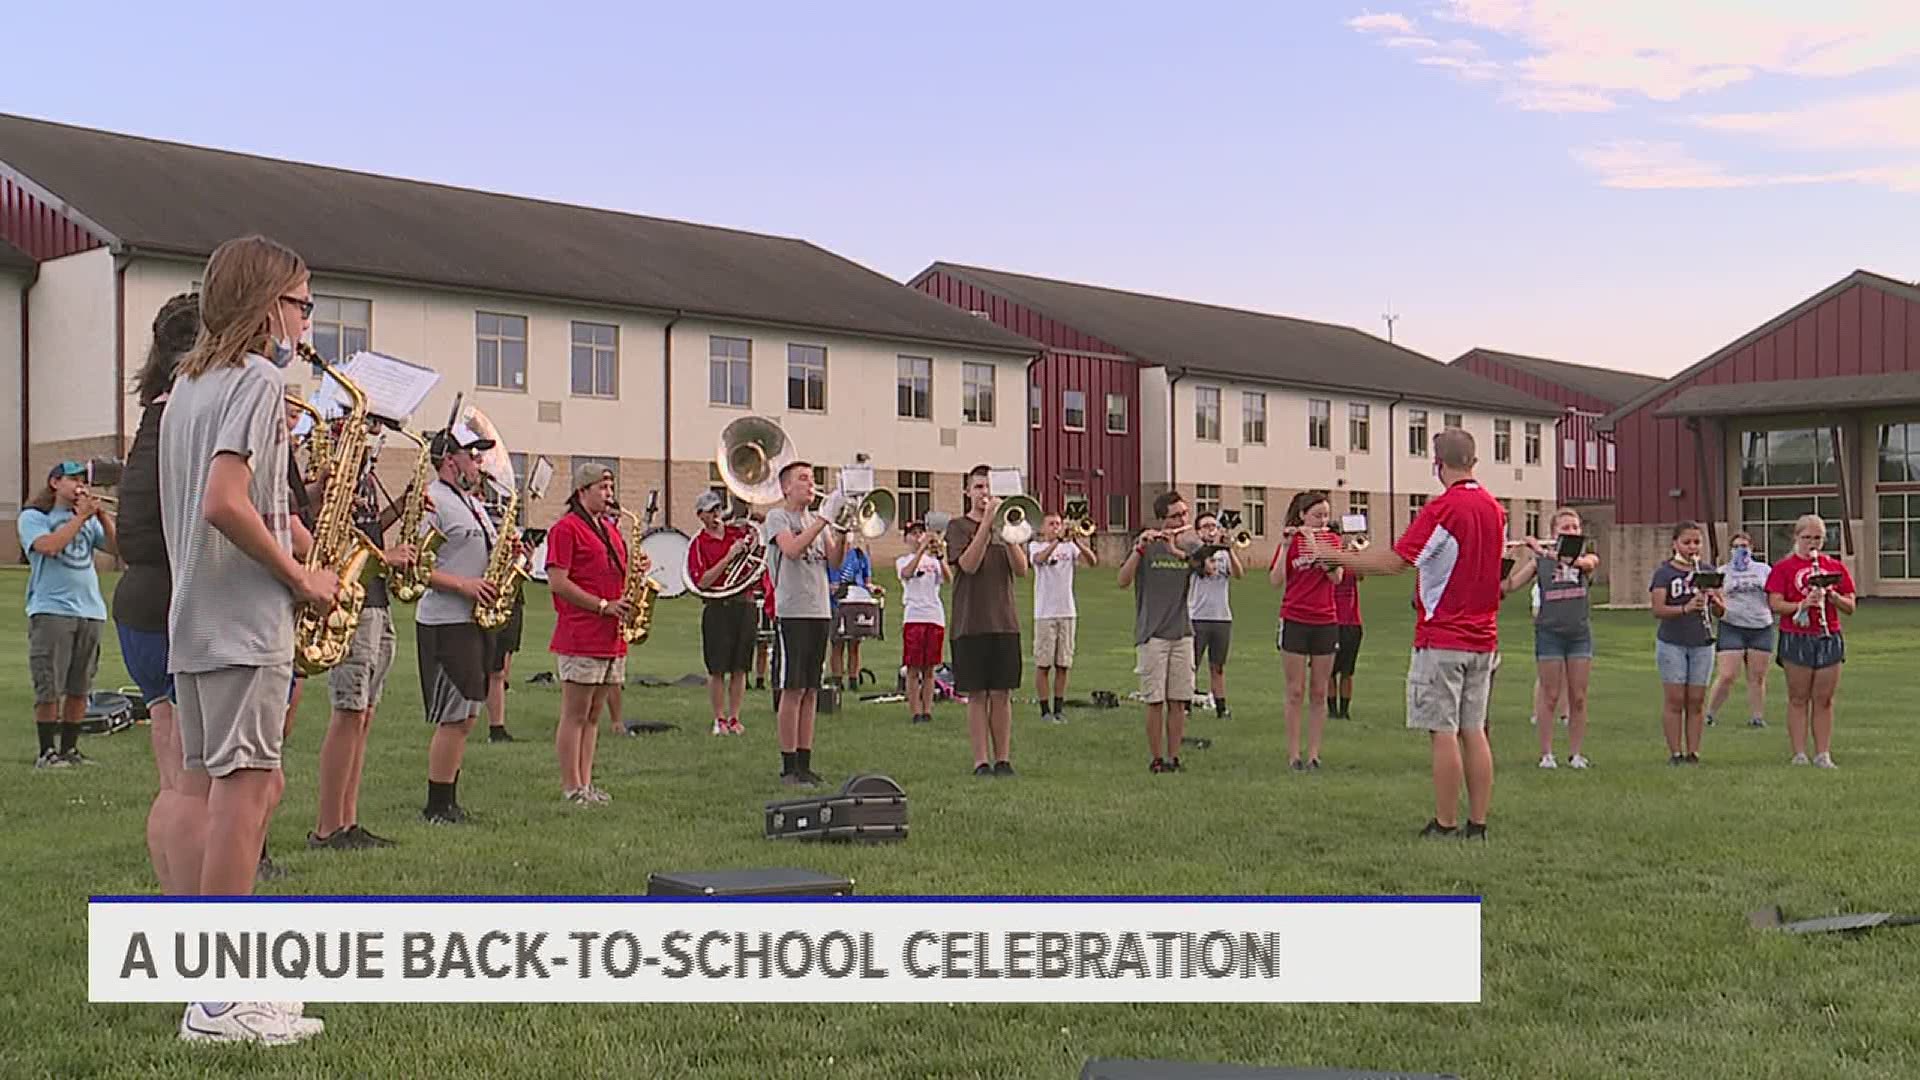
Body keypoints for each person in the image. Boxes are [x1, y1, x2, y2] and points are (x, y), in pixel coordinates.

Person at [159, 234, 334, 1043]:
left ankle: (208, 985)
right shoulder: (261, 381)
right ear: (271, 308)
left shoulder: (186, 387)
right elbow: (225, 502)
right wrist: (301, 579)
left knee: (226, 788)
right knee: (248, 791)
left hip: (193, 622)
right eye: (302, 303)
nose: (306, 319)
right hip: (243, 621)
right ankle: (223, 1000)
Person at [1310, 428, 1503, 840]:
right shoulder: (1493, 508)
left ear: (1438, 464)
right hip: (1484, 636)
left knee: (1443, 731)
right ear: (1474, 461)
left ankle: (1446, 822)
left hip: (1443, 635)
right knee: (1475, 728)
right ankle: (1479, 823)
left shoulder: (1444, 508)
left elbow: (1396, 561)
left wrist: (1332, 555)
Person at [114, 293, 197, 891]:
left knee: (175, 777)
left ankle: (179, 908)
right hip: (166, 607)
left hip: (142, 603)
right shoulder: (177, 423)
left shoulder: (154, 418)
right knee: (188, 783)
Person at [309, 451, 416, 849]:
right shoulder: (332, 473)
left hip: (376, 601)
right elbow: (327, 538)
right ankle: (327, 827)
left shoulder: (364, 475)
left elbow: (366, 532)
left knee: (364, 716)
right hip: (350, 604)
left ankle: (348, 820)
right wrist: (384, 558)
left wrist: (399, 510)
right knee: (349, 712)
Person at [415, 423, 503, 823]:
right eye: (472, 455)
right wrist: (463, 584)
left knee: (468, 714)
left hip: (473, 618)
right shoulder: (432, 501)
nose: (478, 462)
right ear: (451, 460)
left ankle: (450, 798)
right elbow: (416, 567)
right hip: (446, 619)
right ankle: (437, 805)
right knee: (454, 715)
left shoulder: (471, 502)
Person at [545, 463, 636, 801]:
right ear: (582, 491)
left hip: (610, 634)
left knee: (595, 714)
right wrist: (601, 605)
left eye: (611, 489)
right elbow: (558, 581)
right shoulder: (566, 529)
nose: (609, 496)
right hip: (581, 632)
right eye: (603, 489)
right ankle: (571, 787)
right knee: (575, 713)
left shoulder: (610, 530)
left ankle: (585, 783)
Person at [22, 459, 117, 769]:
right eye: (72, 479)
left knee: (80, 687)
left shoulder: (89, 520)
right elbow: (49, 546)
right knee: (50, 685)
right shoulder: (35, 517)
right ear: (55, 483)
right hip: (52, 610)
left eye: (82, 480)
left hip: (89, 611)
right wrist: (80, 518)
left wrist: (101, 516)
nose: (80, 485)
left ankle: (70, 750)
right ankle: (46, 752)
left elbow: (120, 550)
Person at [947, 466, 1030, 776]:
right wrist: (986, 527)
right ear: (968, 491)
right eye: (979, 487)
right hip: (970, 623)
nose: (984, 493)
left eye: (989, 487)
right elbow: (968, 565)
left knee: (1002, 694)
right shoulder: (957, 527)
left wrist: (1006, 530)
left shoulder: (1009, 528)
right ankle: (981, 760)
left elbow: (1021, 570)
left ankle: (1004, 758)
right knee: (977, 695)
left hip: (1004, 622)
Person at [764, 461, 843, 785]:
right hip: (792, 612)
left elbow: (835, 562)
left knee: (811, 689)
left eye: (812, 479)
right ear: (785, 487)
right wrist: (825, 517)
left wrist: (844, 529)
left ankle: (805, 760)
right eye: (803, 479)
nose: (811, 485)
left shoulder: (816, 522)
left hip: (819, 610)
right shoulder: (778, 518)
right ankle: (788, 764)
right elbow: (793, 550)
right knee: (792, 688)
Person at [1503, 508, 1601, 769]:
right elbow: (1508, 587)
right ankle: (1547, 754)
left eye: (1575, 527)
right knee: (1550, 695)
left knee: (1578, 696)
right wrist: (1505, 560)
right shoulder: (1539, 562)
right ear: (1553, 533)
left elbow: (1584, 565)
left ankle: (1576, 754)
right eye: (1565, 528)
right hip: (1549, 634)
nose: (1571, 532)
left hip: (1579, 635)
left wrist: (1543, 551)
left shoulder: (1587, 558)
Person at [1117, 489, 1204, 773]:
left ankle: (1174, 757)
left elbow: (1207, 569)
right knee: (1155, 700)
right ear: (1162, 520)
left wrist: (1176, 550)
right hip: (1152, 634)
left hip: (1182, 632)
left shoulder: (1190, 546)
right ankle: (1156, 759)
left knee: (1179, 700)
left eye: (1184, 514)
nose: (1181, 519)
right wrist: (1139, 548)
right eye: (1175, 515)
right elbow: (1122, 580)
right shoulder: (1146, 545)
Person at [1766, 514, 1854, 768]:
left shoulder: (1834, 566)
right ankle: (1799, 753)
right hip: (1797, 635)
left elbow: (1850, 605)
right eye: (1807, 538)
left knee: (1824, 698)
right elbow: (1775, 603)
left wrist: (1832, 597)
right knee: (1798, 696)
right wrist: (1801, 605)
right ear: (1796, 538)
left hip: (1828, 635)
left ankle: (1823, 753)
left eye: (1817, 538)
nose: (1812, 543)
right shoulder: (1784, 567)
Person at [1270, 491, 1341, 771]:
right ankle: (1293, 754)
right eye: (1316, 516)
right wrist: (1287, 547)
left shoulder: (1332, 540)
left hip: (1325, 620)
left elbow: (1336, 577)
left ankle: (1313, 753)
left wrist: (1316, 542)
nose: (1322, 521)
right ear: (1302, 516)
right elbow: (1276, 580)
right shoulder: (1292, 542)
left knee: (1319, 690)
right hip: (1295, 619)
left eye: (1325, 515)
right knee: (1295, 690)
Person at [1649, 521, 1723, 765]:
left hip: (1701, 641)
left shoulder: (1708, 571)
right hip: (1672, 641)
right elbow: (1658, 609)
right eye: (1687, 542)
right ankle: (1675, 752)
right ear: (1675, 544)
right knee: (1675, 699)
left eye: (1696, 542)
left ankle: (1694, 752)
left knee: (1696, 700)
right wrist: (1685, 607)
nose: (1692, 547)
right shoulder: (1665, 573)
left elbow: (1722, 611)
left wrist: (1715, 602)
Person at [687, 490, 756, 735]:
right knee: (717, 668)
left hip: (743, 604)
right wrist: (728, 557)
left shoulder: (738, 534)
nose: (717, 515)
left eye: (718, 509)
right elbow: (703, 581)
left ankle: (735, 717)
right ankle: (719, 719)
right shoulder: (698, 544)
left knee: (740, 667)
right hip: (717, 607)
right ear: (700, 516)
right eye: (711, 511)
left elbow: (757, 550)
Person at [1029, 509, 1097, 722]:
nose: (1056, 527)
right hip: (1045, 613)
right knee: (1043, 664)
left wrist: (1077, 542)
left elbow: (1093, 561)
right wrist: (1056, 542)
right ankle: (1044, 710)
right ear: (1042, 528)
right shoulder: (1036, 545)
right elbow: (1039, 560)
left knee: (1063, 664)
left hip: (1067, 611)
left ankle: (1058, 708)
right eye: (1051, 524)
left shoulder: (1070, 546)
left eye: (1058, 524)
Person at [1706, 531, 1773, 730]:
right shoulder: (1723, 572)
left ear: (1751, 548)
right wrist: (1714, 601)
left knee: (1757, 676)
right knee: (1727, 674)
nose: (1740, 550)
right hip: (1732, 625)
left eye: (1744, 546)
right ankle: (1708, 714)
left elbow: (1772, 595)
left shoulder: (1764, 570)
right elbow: (1718, 605)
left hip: (1760, 626)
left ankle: (1757, 717)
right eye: (1736, 547)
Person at [1186, 511, 1241, 720]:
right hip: (1197, 616)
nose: (1211, 530)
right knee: (1192, 664)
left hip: (1222, 617)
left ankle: (1221, 706)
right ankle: (1185, 703)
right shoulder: (1194, 552)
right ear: (1198, 531)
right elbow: (1195, 568)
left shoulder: (1223, 554)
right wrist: (1205, 557)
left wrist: (1230, 550)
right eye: (1206, 526)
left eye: (1213, 526)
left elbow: (1238, 574)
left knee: (1217, 666)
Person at [895, 520, 947, 725]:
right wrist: (921, 551)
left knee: (930, 668)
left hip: (934, 616)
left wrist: (940, 556)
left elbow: (949, 579)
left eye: (920, 533)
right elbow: (907, 573)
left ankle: (927, 710)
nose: (917, 537)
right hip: (914, 616)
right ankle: (915, 711)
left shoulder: (934, 561)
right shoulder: (902, 560)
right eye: (913, 534)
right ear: (906, 538)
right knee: (913, 667)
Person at [828, 531, 878, 691]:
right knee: (837, 643)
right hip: (837, 603)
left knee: (854, 644)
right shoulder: (831, 553)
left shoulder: (860, 555)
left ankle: (853, 679)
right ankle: (837, 680)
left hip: (857, 601)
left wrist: (872, 588)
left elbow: (866, 580)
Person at [1329, 527, 1366, 720]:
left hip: (1352, 622)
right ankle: (1332, 710)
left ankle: (1344, 711)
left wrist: (1355, 557)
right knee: (1329, 671)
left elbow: (1360, 576)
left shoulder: (1350, 557)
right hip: (1330, 620)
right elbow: (1336, 578)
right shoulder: (1327, 559)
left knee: (1347, 671)